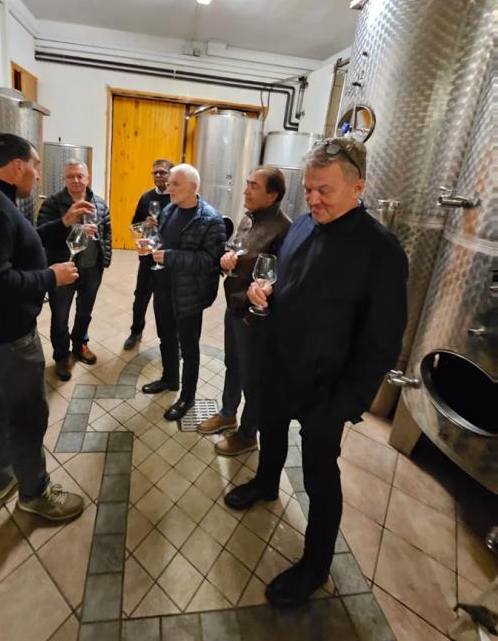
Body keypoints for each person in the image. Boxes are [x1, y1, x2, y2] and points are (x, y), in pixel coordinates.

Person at [223, 137, 408, 607]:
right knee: (271, 429)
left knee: (319, 474)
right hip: (280, 363)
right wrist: (264, 295)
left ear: (358, 187)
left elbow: (383, 341)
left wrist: (346, 403)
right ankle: (266, 482)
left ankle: (316, 564)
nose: (313, 199)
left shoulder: (381, 250)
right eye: (308, 189)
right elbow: (286, 281)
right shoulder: (304, 224)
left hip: (327, 386)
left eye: (325, 190)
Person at [0, 133, 88, 521]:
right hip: (6, 338)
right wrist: (50, 276)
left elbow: (18, 244)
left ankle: (1, 480)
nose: (38, 175)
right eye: (35, 166)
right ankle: (35, 493)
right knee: (28, 417)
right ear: (16, 166)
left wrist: (62, 224)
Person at [197, 167, 291, 455]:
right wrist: (227, 257)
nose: (246, 190)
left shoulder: (283, 229)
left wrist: (256, 307)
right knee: (233, 364)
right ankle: (228, 414)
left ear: (272, 195)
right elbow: (236, 249)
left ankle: (248, 434)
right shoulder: (249, 218)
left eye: (254, 186)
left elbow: (281, 279)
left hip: (255, 317)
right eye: (247, 183)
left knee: (254, 379)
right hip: (234, 305)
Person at [141, 164, 226, 421]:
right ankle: (170, 379)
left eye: (175, 184)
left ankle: (187, 398)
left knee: (189, 348)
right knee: (166, 336)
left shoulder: (211, 219)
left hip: (189, 293)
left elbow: (210, 260)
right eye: (169, 184)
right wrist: (150, 244)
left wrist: (170, 257)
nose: (169, 188)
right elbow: (163, 241)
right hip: (163, 286)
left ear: (193, 186)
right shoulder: (170, 208)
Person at [37, 160, 112, 380]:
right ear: (65, 178)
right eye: (71, 176)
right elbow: (42, 235)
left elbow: (107, 232)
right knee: (60, 316)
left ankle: (80, 344)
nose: (76, 180)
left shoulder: (100, 203)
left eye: (80, 176)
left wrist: (104, 260)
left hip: (91, 269)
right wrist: (73, 227)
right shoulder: (52, 203)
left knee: (85, 312)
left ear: (88, 178)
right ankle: (62, 355)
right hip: (63, 269)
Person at [123, 159, 173, 351]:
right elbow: (135, 225)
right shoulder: (146, 198)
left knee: (165, 301)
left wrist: (162, 225)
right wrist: (145, 225)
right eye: (155, 172)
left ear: (170, 174)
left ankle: (168, 339)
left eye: (162, 172)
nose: (158, 175)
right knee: (141, 297)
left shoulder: (176, 198)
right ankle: (136, 332)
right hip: (147, 257)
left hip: (167, 258)